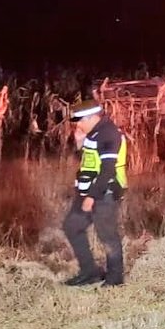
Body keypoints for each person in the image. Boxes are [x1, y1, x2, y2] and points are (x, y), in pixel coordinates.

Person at [62, 99, 129, 287]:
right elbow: (89, 162)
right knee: (72, 227)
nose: (79, 124)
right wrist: (79, 144)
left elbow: (108, 169)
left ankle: (115, 279)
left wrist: (92, 196)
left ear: (93, 117)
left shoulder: (108, 134)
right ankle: (89, 272)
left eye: (81, 120)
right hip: (88, 192)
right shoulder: (93, 133)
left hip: (104, 193)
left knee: (108, 236)